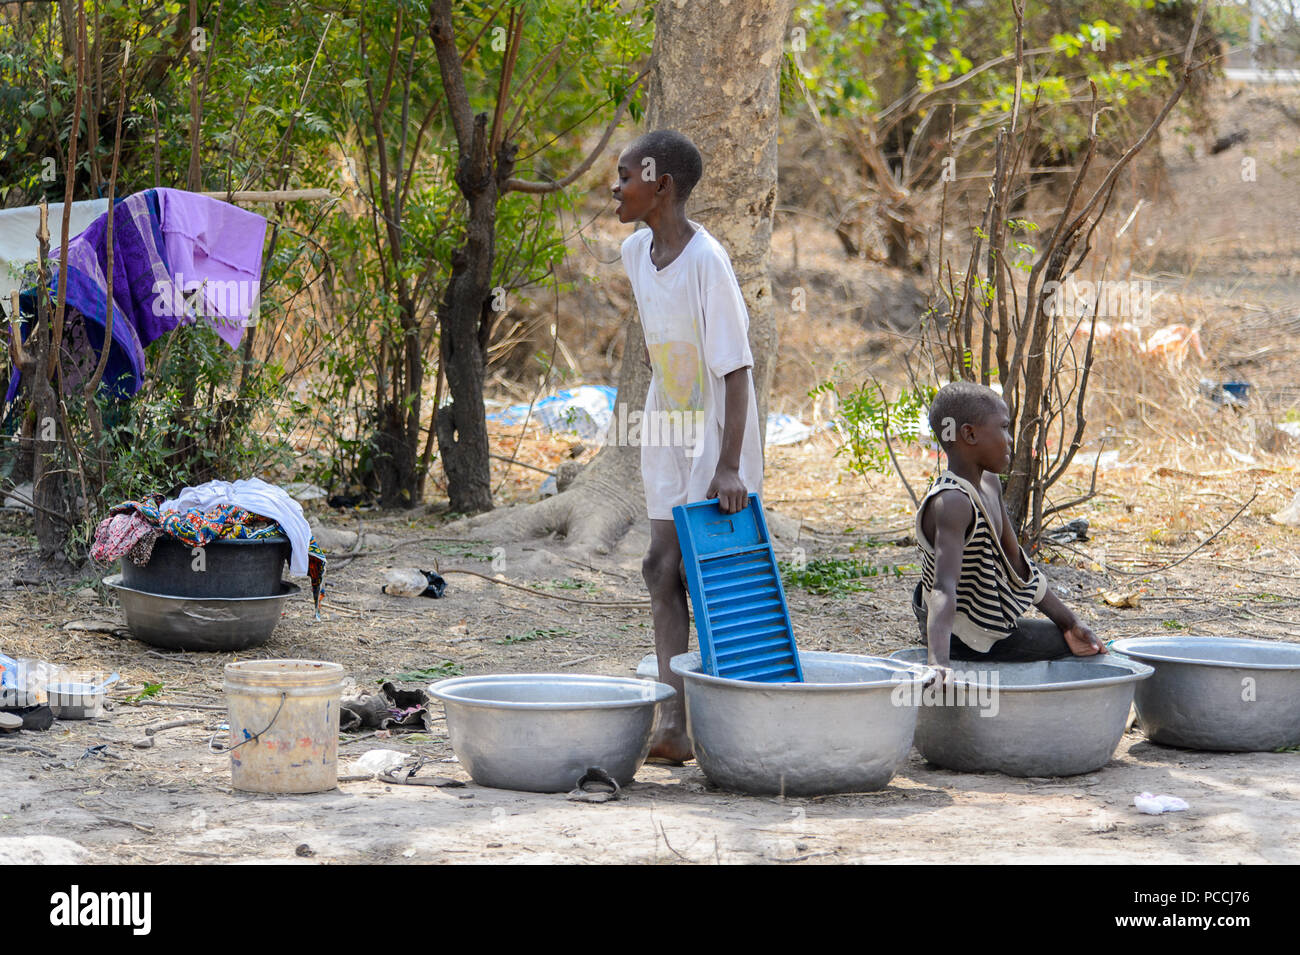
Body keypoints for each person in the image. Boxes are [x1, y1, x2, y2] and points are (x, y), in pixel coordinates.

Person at [612, 129, 764, 762]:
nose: (615, 189)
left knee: (715, 575)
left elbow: (735, 369)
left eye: (625, 176)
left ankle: (733, 720)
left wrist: (729, 466)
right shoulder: (632, 253)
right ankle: (674, 724)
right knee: (659, 567)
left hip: (716, 434)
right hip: (667, 425)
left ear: (661, 184)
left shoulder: (709, 261)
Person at [914, 381, 1105, 680]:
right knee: (1080, 649)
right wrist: (938, 663)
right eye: (1003, 428)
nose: (1010, 439)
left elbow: (1017, 564)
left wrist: (1070, 622)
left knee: (1075, 636)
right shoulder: (952, 502)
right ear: (969, 434)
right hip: (959, 633)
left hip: (979, 617)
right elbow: (942, 588)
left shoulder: (989, 483)